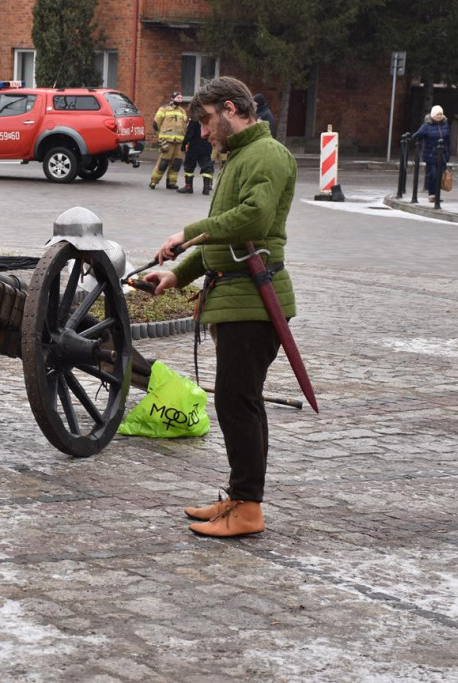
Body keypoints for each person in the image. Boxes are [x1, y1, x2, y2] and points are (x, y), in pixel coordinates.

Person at [143, 76, 297, 538]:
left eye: (208, 122)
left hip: (254, 300)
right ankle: (238, 497)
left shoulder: (266, 155)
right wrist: (178, 274)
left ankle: (249, 508)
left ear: (231, 108)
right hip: (235, 296)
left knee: (238, 402)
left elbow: (253, 219)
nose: (205, 133)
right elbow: (226, 239)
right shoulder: (240, 156)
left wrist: (186, 232)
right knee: (236, 401)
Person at [411, 105, 451, 203]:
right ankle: (431, 195)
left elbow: (448, 140)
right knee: (433, 174)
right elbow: (416, 136)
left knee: (439, 175)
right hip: (431, 154)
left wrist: (448, 153)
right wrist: (418, 139)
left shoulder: (445, 124)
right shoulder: (426, 126)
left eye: (441, 114)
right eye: (438, 114)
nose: (440, 116)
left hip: (442, 154)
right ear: (433, 115)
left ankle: (437, 195)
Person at [149, 91, 188, 190]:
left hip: (179, 143)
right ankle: (154, 181)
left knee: (177, 163)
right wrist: (160, 137)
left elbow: (185, 127)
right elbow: (155, 124)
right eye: (178, 97)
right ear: (173, 98)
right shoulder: (164, 109)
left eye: (181, 98)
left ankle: (171, 182)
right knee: (163, 163)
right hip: (167, 142)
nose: (180, 99)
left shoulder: (182, 111)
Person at [177, 114, 214, 195]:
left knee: (189, 166)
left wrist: (184, 144)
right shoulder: (210, 118)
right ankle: (206, 189)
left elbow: (189, 133)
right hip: (207, 146)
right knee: (206, 166)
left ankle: (188, 187)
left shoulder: (194, 118)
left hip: (194, 146)